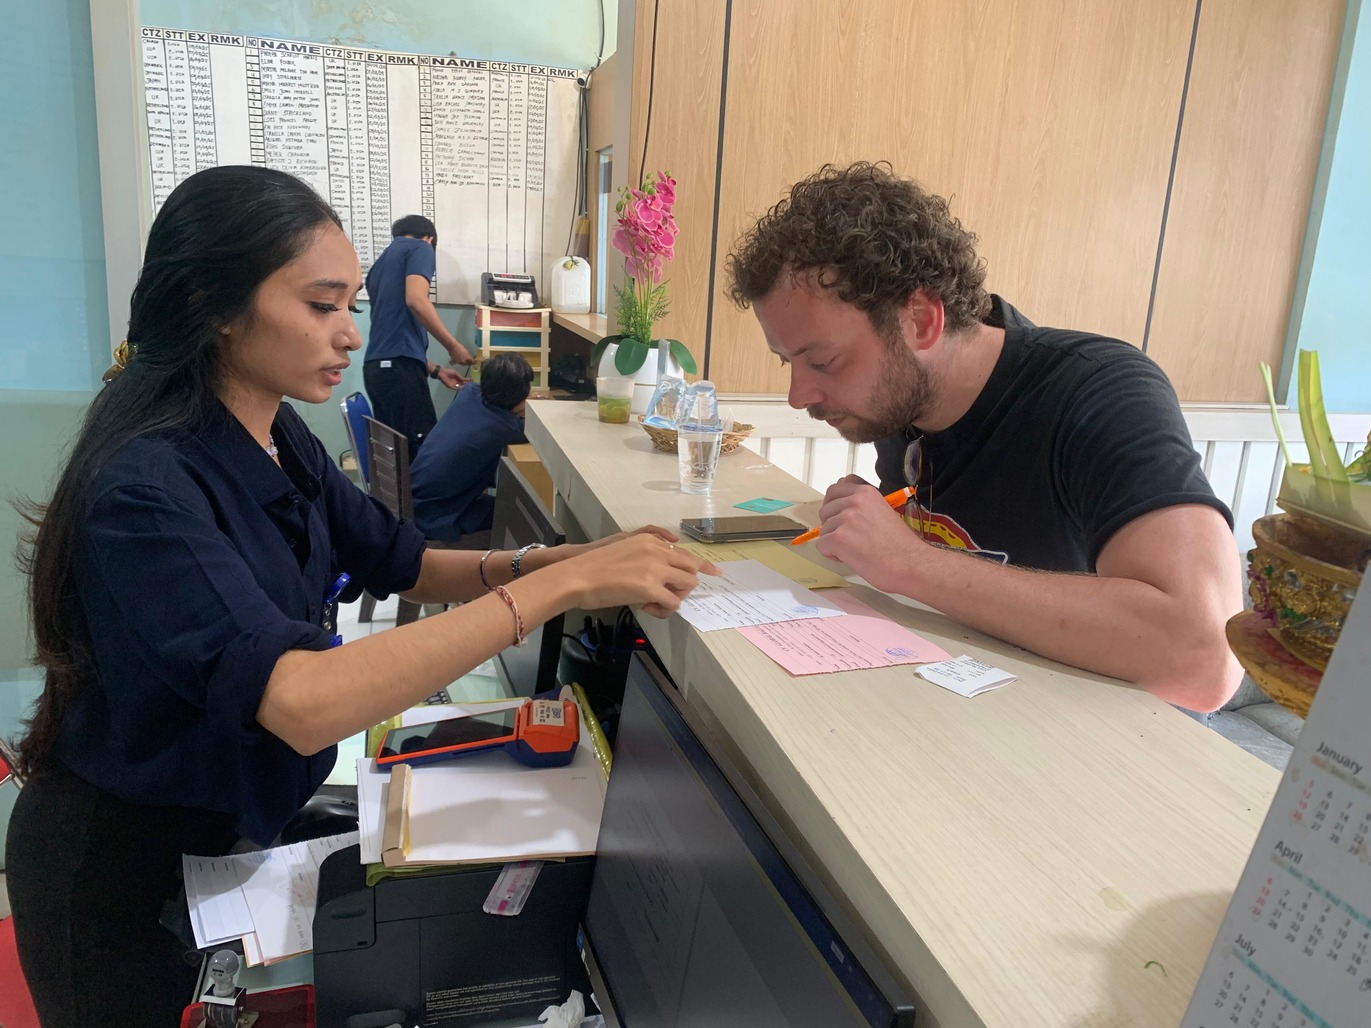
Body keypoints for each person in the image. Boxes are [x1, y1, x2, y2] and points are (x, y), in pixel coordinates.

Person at [3, 166, 713, 1028]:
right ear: (217, 307)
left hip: (227, 828)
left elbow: (406, 561)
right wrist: (563, 586)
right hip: (118, 876)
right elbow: (301, 702)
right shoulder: (145, 486)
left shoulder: (275, 433)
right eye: (320, 305)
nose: (348, 335)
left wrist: (558, 557)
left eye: (352, 307)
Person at [725, 162, 1244, 712]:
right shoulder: (903, 404)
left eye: (822, 361)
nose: (797, 395)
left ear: (922, 322)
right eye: (788, 362)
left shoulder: (1100, 391)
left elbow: (1205, 659)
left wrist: (912, 564)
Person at [362, 213, 474, 455]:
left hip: (378, 371)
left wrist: (436, 370)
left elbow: (393, 337)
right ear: (430, 238)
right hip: (398, 372)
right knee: (422, 452)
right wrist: (453, 346)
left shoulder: (379, 267)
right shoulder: (421, 248)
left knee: (398, 459)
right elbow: (416, 300)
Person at [410, 352, 534, 540]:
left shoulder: (469, 393)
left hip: (417, 500)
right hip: (437, 516)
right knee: (521, 513)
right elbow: (532, 428)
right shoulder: (503, 427)